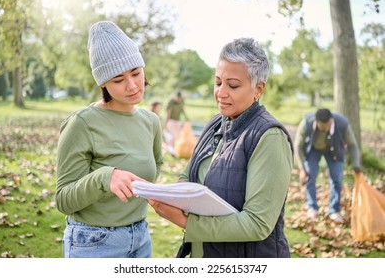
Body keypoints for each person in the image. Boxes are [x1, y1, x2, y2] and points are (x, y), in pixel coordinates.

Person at [148, 38, 294, 258]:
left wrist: (186, 222)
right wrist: (177, 193)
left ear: (259, 89)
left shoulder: (269, 137)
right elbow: (189, 173)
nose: (221, 93)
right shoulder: (215, 122)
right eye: (218, 83)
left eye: (233, 85)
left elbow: (257, 223)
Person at [55, 21, 163, 258]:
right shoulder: (82, 123)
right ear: (103, 82)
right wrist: (105, 177)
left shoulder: (151, 121)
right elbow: (63, 200)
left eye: (136, 73)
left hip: (141, 237)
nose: (133, 85)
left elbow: (157, 165)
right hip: (94, 242)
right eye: (118, 80)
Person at [294, 108, 361, 223]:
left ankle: (334, 210)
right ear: (316, 121)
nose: (325, 129)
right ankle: (312, 208)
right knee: (309, 176)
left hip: (334, 150)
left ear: (331, 120)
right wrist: (301, 168)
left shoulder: (343, 124)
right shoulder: (307, 122)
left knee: (337, 180)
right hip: (313, 149)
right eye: (322, 127)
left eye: (328, 126)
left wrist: (356, 165)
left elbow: (353, 145)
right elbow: (298, 146)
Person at [163, 91, 189, 155]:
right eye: (178, 98)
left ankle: (176, 150)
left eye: (180, 99)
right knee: (173, 136)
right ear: (175, 97)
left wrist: (186, 118)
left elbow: (182, 110)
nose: (179, 100)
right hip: (171, 121)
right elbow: (168, 113)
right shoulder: (171, 102)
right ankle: (172, 151)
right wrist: (166, 124)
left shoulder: (182, 101)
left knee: (178, 136)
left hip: (177, 121)